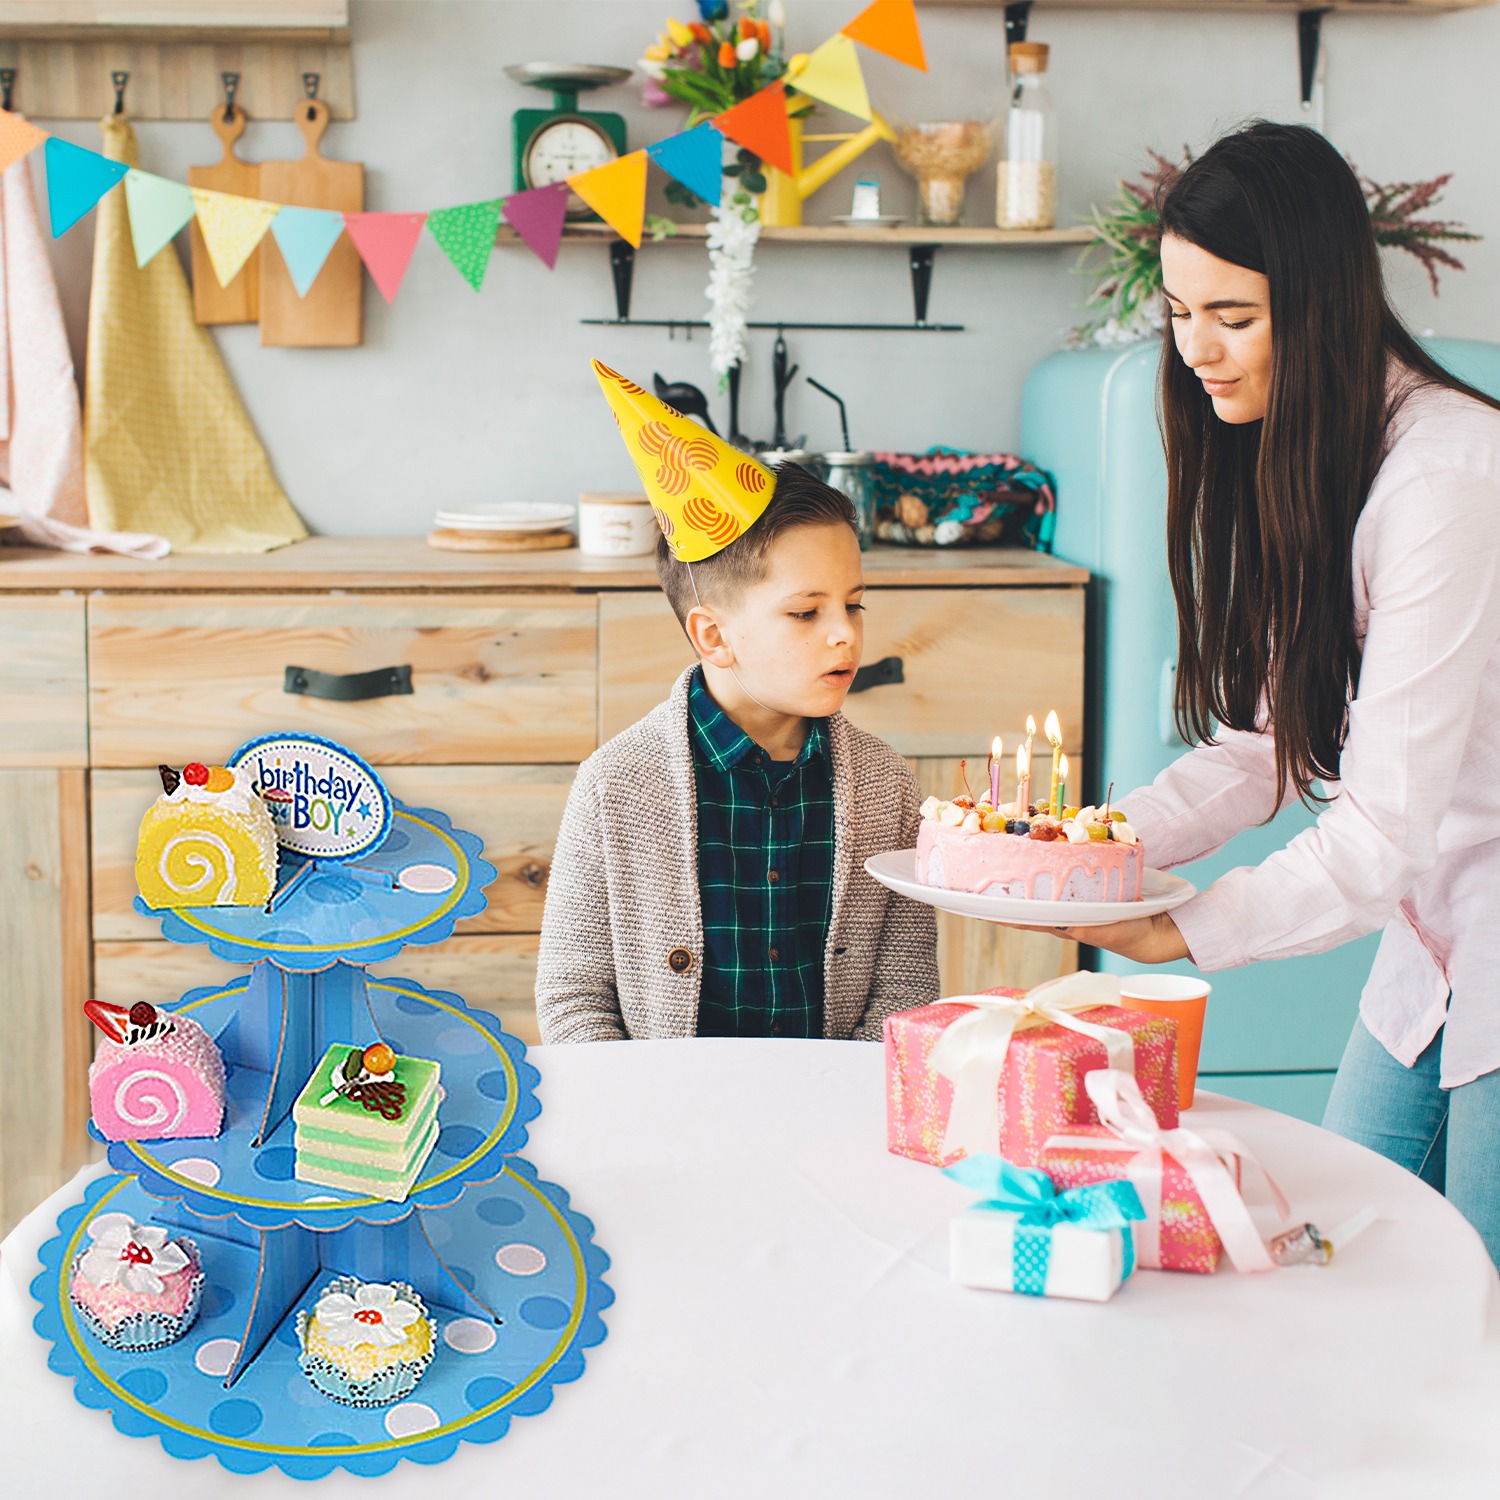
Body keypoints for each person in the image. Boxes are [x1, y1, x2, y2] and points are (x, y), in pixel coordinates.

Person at [1054, 122, 1500, 1262]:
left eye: (1233, 318)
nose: (1198, 350)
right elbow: (1263, 748)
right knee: (1346, 1262)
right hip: (1437, 940)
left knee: (1463, 1313)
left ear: (1321, 301)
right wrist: (1083, 851)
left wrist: (1192, 929)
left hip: (1471, 915)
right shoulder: (1307, 448)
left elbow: (1379, 830)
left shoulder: (1446, 477)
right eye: (1179, 312)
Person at [536, 363, 938, 1043]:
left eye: (854, 604)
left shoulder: (886, 788)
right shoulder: (614, 786)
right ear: (714, 635)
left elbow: (905, 989)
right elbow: (574, 996)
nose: (845, 632)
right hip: (664, 1120)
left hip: (831, 1116)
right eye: (806, 612)